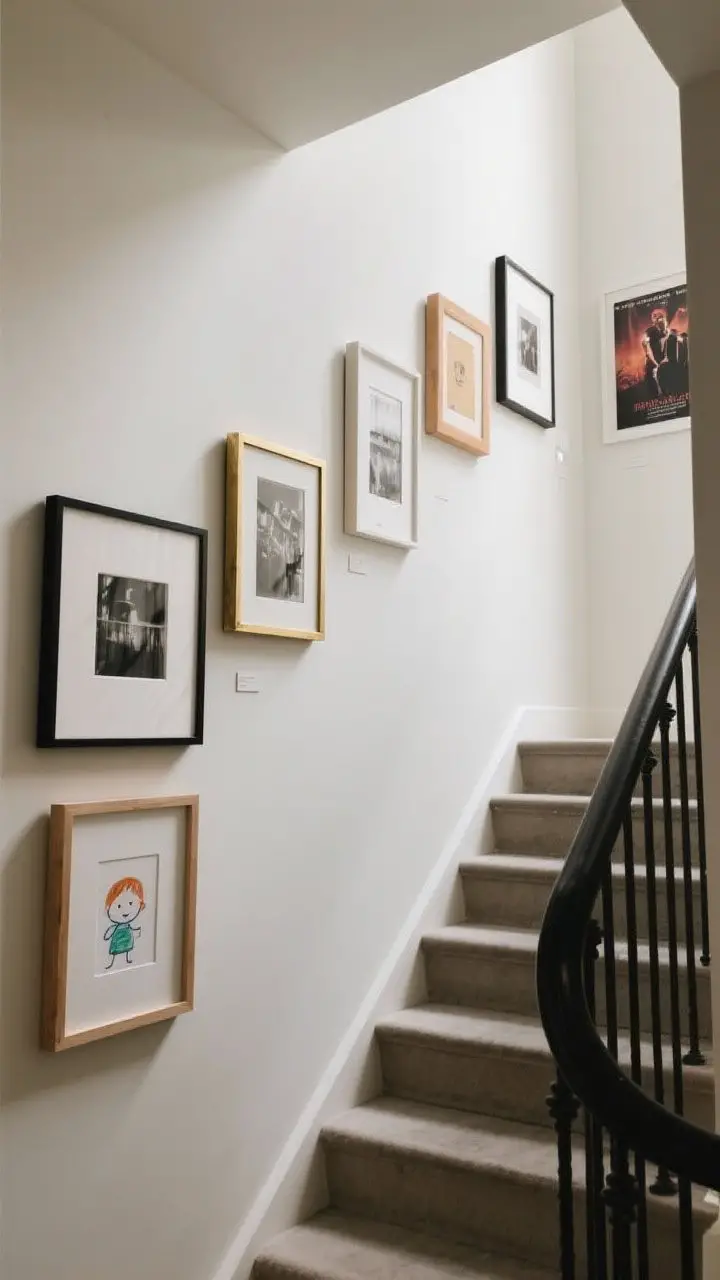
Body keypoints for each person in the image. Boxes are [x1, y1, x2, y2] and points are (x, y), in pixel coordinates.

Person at [103, 876, 145, 969]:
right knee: (114, 951)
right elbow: (110, 931)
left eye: (130, 903)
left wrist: (137, 930)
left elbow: (133, 928)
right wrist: (107, 935)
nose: (125, 910)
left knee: (128, 948)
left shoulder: (128, 925)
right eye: (118, 906)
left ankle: (127, 959)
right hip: (117, 938)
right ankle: (111, 962)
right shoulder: (116, 926)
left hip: (127, 938)